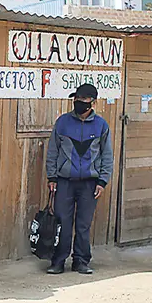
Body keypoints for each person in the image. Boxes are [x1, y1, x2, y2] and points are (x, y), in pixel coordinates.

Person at [44, 83, 114, 275]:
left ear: (93, 102)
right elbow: (52, 151)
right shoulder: (63, 122)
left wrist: (102, 181)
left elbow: (107, 156)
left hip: (90, 183)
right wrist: (52, 176)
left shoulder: (101, 126)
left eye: (83, 100)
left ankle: (81, 261)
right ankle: (58, 261)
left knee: (83, 224)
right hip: (64, 181)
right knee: (62, 223)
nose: (79, 103)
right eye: (76, 100)